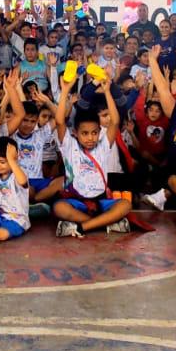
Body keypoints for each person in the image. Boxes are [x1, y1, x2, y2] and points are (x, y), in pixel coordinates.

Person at [50, 73, 132, 237]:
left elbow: (115, 122)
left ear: (99, 132)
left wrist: (107, 92)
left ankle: (82, 226)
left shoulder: (103, 146)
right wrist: (65, 91)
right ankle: (101, 223)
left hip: (101, 200)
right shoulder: (69, 145)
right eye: (85, 133)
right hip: (77, 201)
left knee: (125, 205)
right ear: (75, 133)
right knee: (59, 207)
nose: (90, 138)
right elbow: (59, 121)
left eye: (94, 133)